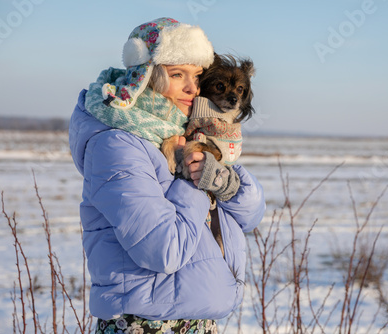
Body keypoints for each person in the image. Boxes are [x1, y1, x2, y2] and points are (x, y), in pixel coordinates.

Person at [68, 17, 265, 333]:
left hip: (196, 323)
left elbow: (251, 216)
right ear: (146, 76)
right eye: (177, 75)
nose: (192, 88)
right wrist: (193, 180)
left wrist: (227, 184)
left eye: (197, 76)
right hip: (145, 325)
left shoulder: (187, 133)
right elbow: (163, 250)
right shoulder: (117, 144)